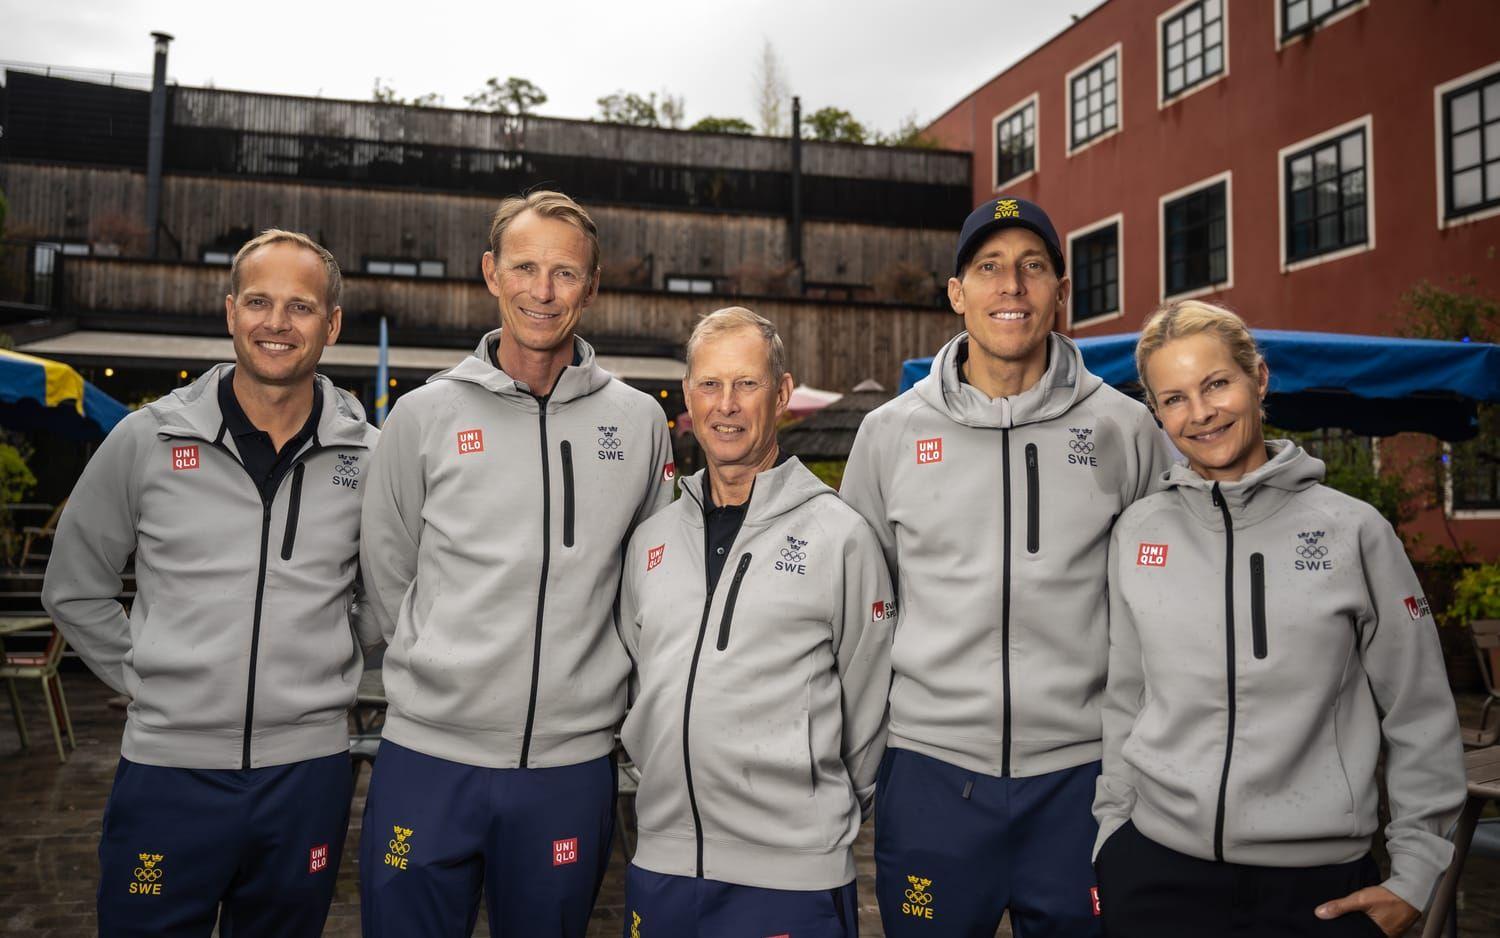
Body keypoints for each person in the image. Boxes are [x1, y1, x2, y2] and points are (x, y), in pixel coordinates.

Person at [840, 196, 1173, 937]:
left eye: (1032, 267)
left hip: (1085, 779)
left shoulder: (1126, 428)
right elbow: (861, 608)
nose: (1011, 288)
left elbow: (1174, 599)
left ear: (1060, 290)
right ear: (957, 294)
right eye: (988, 268)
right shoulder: (888, 434)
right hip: (930, 774)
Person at [42, 229, 378, 937]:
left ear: (333, 324)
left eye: (300, 307)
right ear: (230, 313)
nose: (276, 324)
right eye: (258, 301)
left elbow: (386, 593)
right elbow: (74, 587)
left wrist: (329, 660)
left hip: (308, 773)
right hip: (169, 774)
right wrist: (147, 674)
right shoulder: (145, 439)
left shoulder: (371, 459)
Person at [1094, 300, 1467, 938]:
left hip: (1316, 887)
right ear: (1156, 412)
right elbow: (1127, 697)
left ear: (1258, 379)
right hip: (1155, 874)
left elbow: (1421, 711)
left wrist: (1414, 874)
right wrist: (1112, 835)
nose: (1202, 412)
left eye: (1217, 383)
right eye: (1175, 397)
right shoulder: (1138, 530)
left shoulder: (1355, 532)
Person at [358, 190, 675, 937]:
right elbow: (389, 568)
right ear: (490, 273)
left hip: (571, 767)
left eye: (565, 273)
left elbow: (651, 584)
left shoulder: (638, 421)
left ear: (592, 287)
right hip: (429, 758)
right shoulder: (423, 416)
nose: (543, 290)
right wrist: (446, 665)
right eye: (526, 267)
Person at [616, 306, 893, 937]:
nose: (727, 405)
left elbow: (870, 699)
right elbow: (640, 673)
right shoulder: (652, 539)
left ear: (783, 394)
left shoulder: (840, 536)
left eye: (747, 384)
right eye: (709, 385)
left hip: (793, 876)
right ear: (688, 396)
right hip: (662, 860)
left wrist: (813, 812)